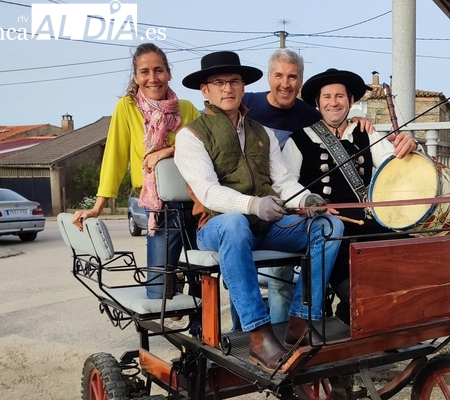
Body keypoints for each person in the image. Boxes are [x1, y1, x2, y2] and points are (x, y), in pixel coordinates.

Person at [173, 51, 343, 371]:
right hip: (216, 228)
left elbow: (283, 182)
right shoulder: (190, 136)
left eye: (234, 81)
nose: (228, 88)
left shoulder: (262, 133)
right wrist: (253, 205)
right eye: (219, 82)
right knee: (235, 223)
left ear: (243, 87)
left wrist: (306, 199)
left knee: (329, 227)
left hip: (265, 228)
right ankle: (258, 336)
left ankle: (300, 321)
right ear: (205, 90)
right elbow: (207, 192)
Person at [235, 49, 375, 328]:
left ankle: (341, 321)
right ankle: (271, 334)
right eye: (279, 75)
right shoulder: (245, 104)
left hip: (318, 208)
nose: (285, 83)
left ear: (300, 81)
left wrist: (362, 117)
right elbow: (283, 182)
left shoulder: (312, 114)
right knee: (277, 281)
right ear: (269, 77)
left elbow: (338, 116)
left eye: (292, 77)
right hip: (268, 206)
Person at [281, 68, 418, 322]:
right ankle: (359, 314)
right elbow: (284, 185)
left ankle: (377, 318)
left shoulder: (367, 133)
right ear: (318, 103)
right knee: (359, 292)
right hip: (328, 227)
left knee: (411, 252)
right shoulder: (298, 140)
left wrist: (409, 144)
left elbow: (395, 166)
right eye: (327, 97)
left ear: (351, 100)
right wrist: (307, 205)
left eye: (340, 96)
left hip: (368, 223)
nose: (333, 102)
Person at [72, 43, 201, 300]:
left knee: (202, 282)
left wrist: (167, 151)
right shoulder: (127, 107)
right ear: (136, 76)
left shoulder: (186, 108)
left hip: (195, 204)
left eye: (159, 70)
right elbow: (115, 157)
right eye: (145, 72)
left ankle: (196, 322)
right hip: (159, 210)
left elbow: (204, 147)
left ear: (169, 73)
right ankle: (173, 279)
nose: (153, 78)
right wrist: (97, 207)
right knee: (157, 293)